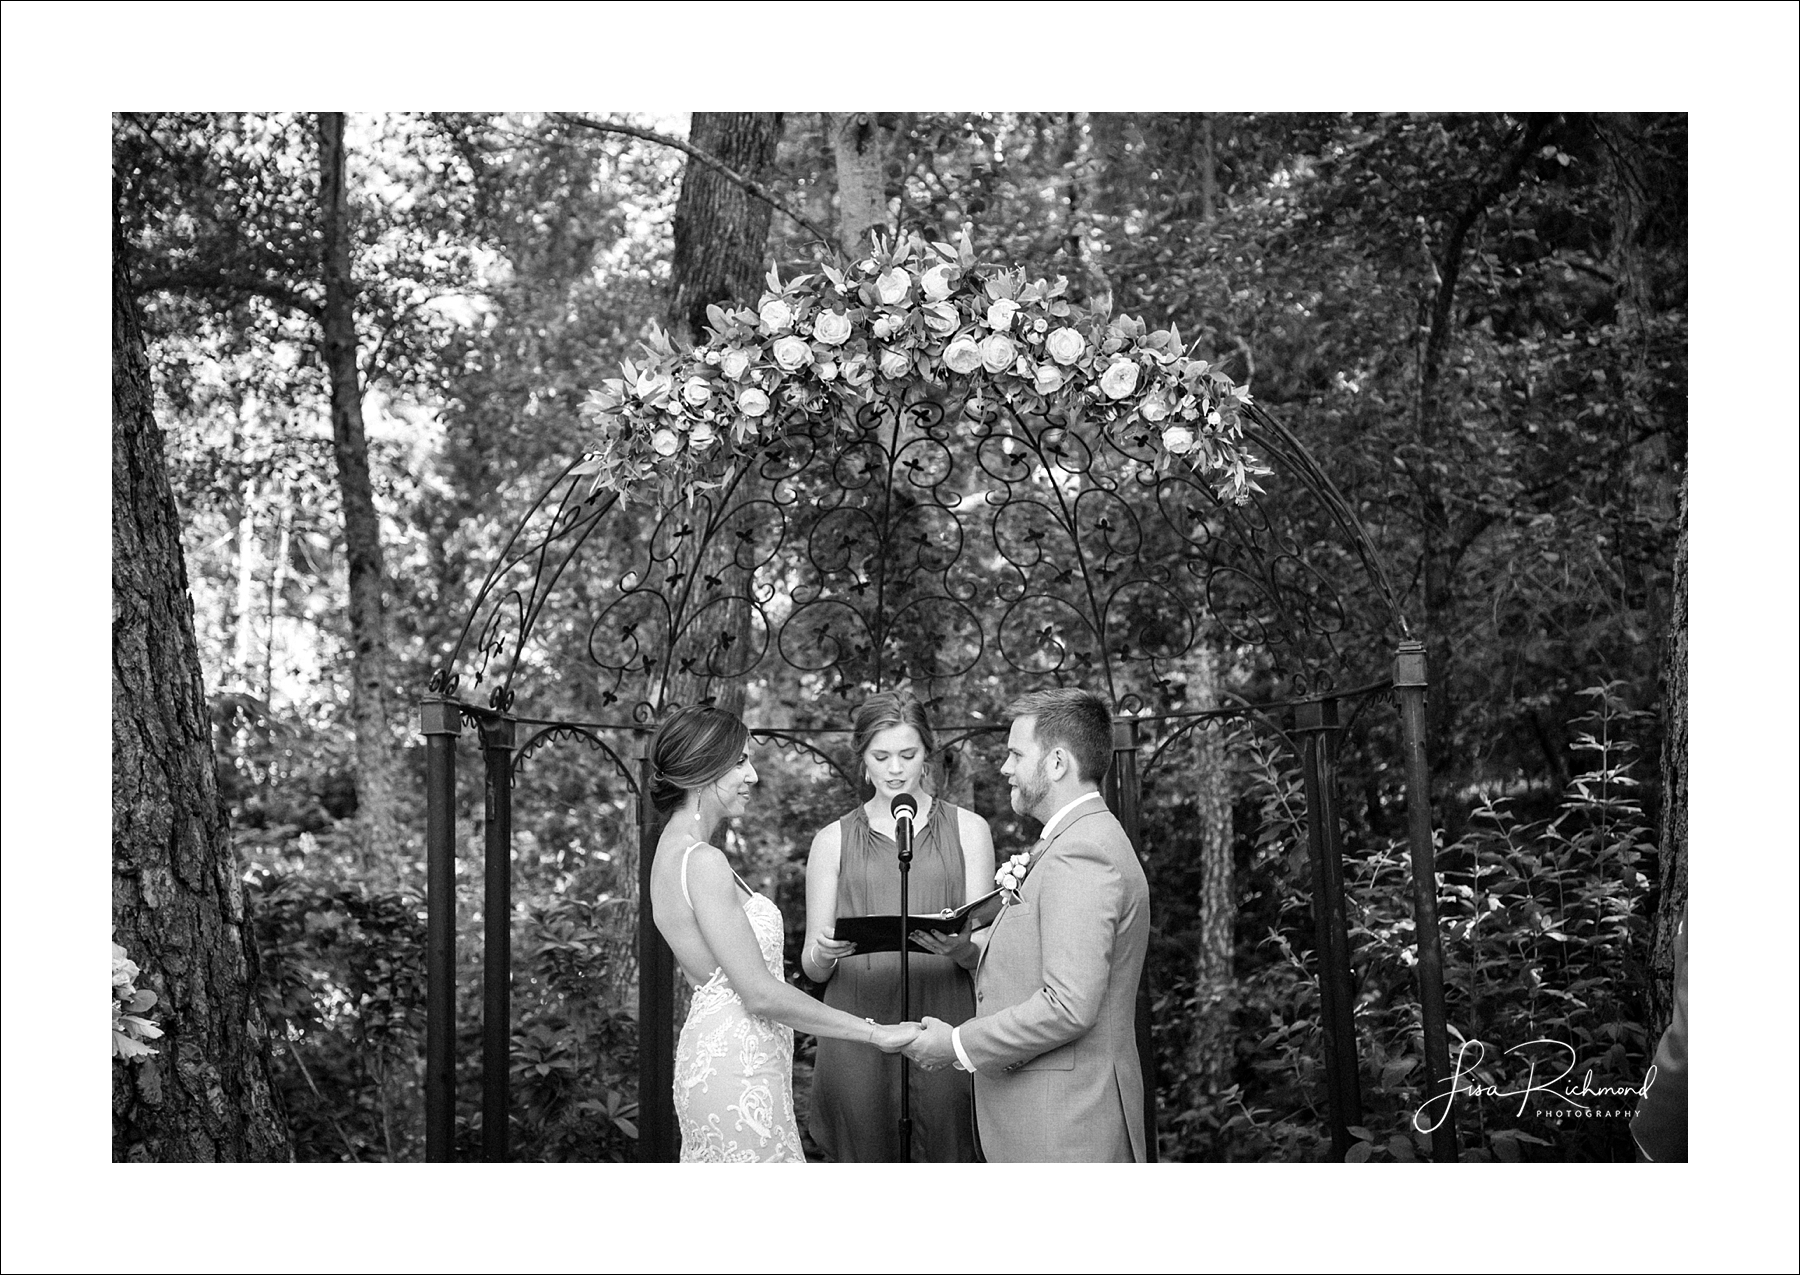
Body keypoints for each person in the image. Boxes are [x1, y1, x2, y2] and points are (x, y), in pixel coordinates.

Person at [646, 703, 921, 1163]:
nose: (752, 775)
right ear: (700, 767)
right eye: (739, 762)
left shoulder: (670, 853)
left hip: (731, 1059)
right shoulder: (702, 862)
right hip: (738, 1071)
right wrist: (875, 1033)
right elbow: (759, 994)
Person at [904, 687, 1150, 1162]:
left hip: (1065, 1125)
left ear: (1057, 763)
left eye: (1016, 753)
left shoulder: (1083, 852)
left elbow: (1068, 1006)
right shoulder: (1074, 839)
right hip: (1049, 1119)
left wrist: (956, 1044)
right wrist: (969, 952)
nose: (1005, 768)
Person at [800, 692, 996, 1161]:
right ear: (862, 759)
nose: (894, 769)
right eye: (880, 756)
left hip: (946, 1018)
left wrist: (961, 949)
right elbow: (812, 966)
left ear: (927, 753)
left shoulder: (970, 829)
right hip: (857, 1021)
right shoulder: (831, 840)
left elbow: (988, 949)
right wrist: (823, 954)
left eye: (907, 755)